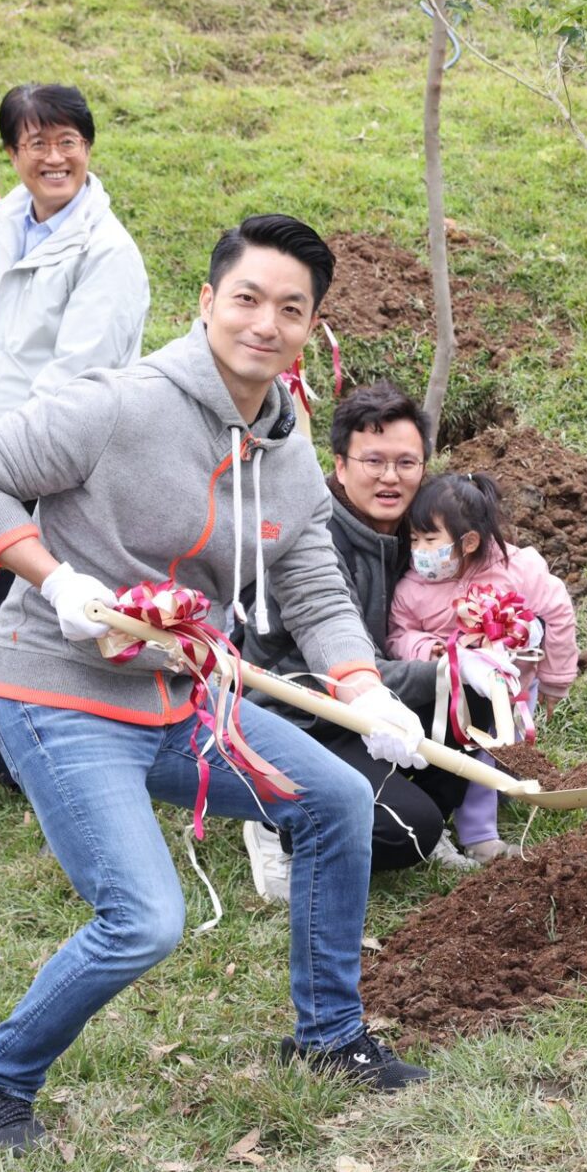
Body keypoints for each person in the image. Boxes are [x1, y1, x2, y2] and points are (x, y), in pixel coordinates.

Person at [0, 215, 432, 1155]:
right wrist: (56, 577)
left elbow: (313, 583)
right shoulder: (119, 403)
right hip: (60, 695)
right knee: (144, 919)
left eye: (291, 308)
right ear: (207, 303)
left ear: (311, 327)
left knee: (333, 802)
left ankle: (329, 1039)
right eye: (246, 299)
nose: (264, 322)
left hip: (181, 698)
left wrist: (366, 689)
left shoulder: (284, 447)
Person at [0, 83, 150, 793]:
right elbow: (2, 344)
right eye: (37, 144)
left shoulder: (108, 256)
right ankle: (40, 761)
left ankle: (37, 766)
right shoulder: (2, 221)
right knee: (0, 620)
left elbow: (74, 381)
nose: (54, 158)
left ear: (88, 147)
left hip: (56, 456)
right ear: (11, 153)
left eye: (69, 143)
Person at [240, 382, 476, 894]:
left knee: (474, 698)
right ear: (341, 465)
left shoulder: (421, 534)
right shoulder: (310, 537)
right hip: (302, 719)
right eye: (374, 461)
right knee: (407, 833)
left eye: (406, 463)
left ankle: (423, 807)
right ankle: (273, 823)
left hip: (374, 707)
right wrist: (448, 671)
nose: (391, 477)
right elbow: (342, 669)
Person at [387, 472, 579, 862]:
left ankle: (505, 787)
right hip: (458, 699)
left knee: (510, 749)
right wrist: (430, 649)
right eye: (414, 540)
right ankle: (479, 836)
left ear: (469, 541)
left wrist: (556, 680)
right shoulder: (411, 589)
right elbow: (397, 634)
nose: (419, 550)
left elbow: (557, 612)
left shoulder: (517, 570)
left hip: (516, 687)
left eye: (429, 540)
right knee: (479, 752)